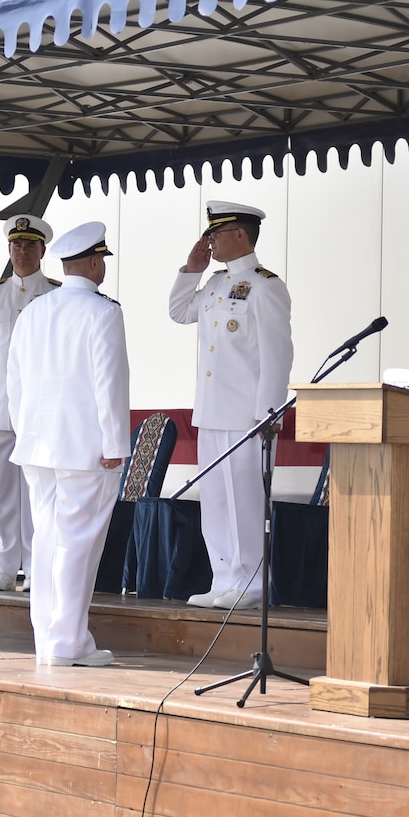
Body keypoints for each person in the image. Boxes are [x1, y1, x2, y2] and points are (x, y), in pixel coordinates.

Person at [7, 221, 130, 666]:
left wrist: (27, 434)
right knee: (78, 543)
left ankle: (50, 640)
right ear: (95, 263)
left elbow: (14, 383)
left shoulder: (35, 310)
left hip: (38, 447)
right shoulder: (103, 312)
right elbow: (109, 383)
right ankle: (69, 642)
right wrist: (117, 441)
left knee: (47, 541)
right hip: (86, 449)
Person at [168, 200, 293, 612]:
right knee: (217, 500)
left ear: (240, 235)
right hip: (211, 411)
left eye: (215, 234)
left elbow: (277, 352)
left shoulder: (265, 285)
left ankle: (251, 582)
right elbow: (179, 312)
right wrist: (192, 269)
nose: (209, 241)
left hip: (246, 416)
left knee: (244, 501)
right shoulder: (216, 284)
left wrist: (269, 411)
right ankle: (224, 578)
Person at [0, 215, 59, 593]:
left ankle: (34, 565)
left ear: (43, 250)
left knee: (36, 494)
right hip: (0, 408)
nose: (22, 252)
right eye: (16, 245)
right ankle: (4, 565)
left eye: (30, 245)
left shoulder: (56, 294)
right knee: (1, 492)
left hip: (38, 412)